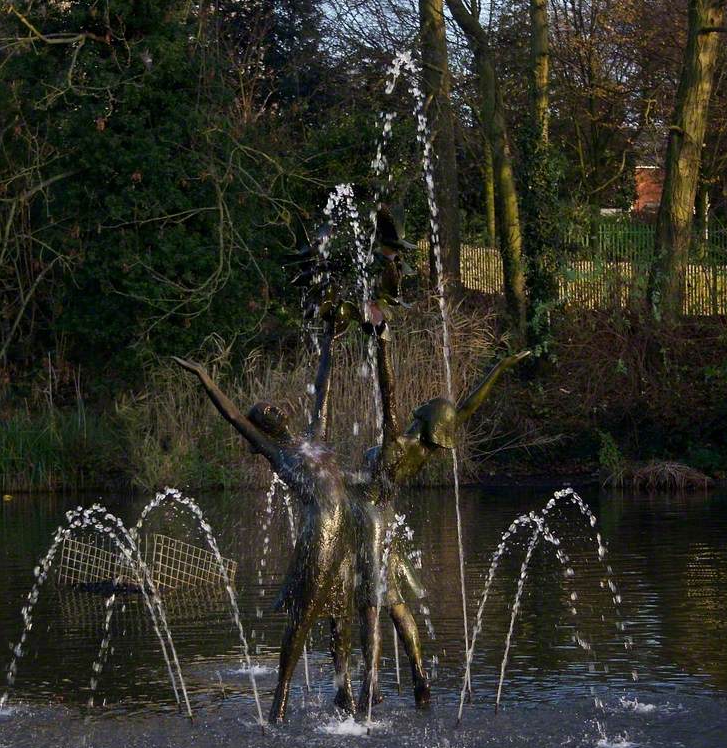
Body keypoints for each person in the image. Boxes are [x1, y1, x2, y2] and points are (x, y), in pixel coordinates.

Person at [173, 318, 358, 723]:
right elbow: (235, 417)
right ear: (265, 429)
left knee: (343, 618)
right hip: (320, 533)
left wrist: (328, 341)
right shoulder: (278, 454)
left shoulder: (314, 435)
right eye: (264, 412)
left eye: (271, 405)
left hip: (343, 532)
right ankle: (280, 700)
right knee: (305, 616)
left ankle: (345, 694)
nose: (270, 407)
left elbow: (322, 387)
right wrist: (206, 378)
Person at [353, 307, 530, 709]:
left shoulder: (397, 445)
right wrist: (500, 367)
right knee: (395, 606)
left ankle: (370, 689)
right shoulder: (423, 452)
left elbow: (387, 389)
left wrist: (382, 342)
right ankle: (419, 681)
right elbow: (467, 408)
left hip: (369, 527)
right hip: (387, 524)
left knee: (369, 608)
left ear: (425, 418)